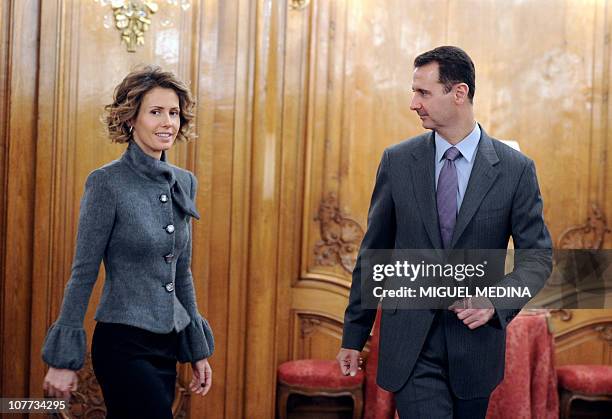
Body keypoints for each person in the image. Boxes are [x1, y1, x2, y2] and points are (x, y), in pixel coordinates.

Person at [337, 46, 552, 418]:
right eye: (413, 91)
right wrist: (354, 336)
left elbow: (538, 257)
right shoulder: (398, 161)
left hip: (475, 349)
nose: (413, 103)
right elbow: (375, 254)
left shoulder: (515, 169)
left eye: (423, 92)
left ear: (459, 93)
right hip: (410, 345)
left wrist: (496, 301)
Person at [41, 65, 214, 419]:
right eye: (155, 112)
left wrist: (197, 350)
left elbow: (182, 272)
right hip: (123, 346)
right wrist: (63, 360)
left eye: (174, 112)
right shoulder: (106, 183)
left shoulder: (184, 181)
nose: (168, 122)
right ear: (131, 118)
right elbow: (83, 272)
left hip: (167, 346)